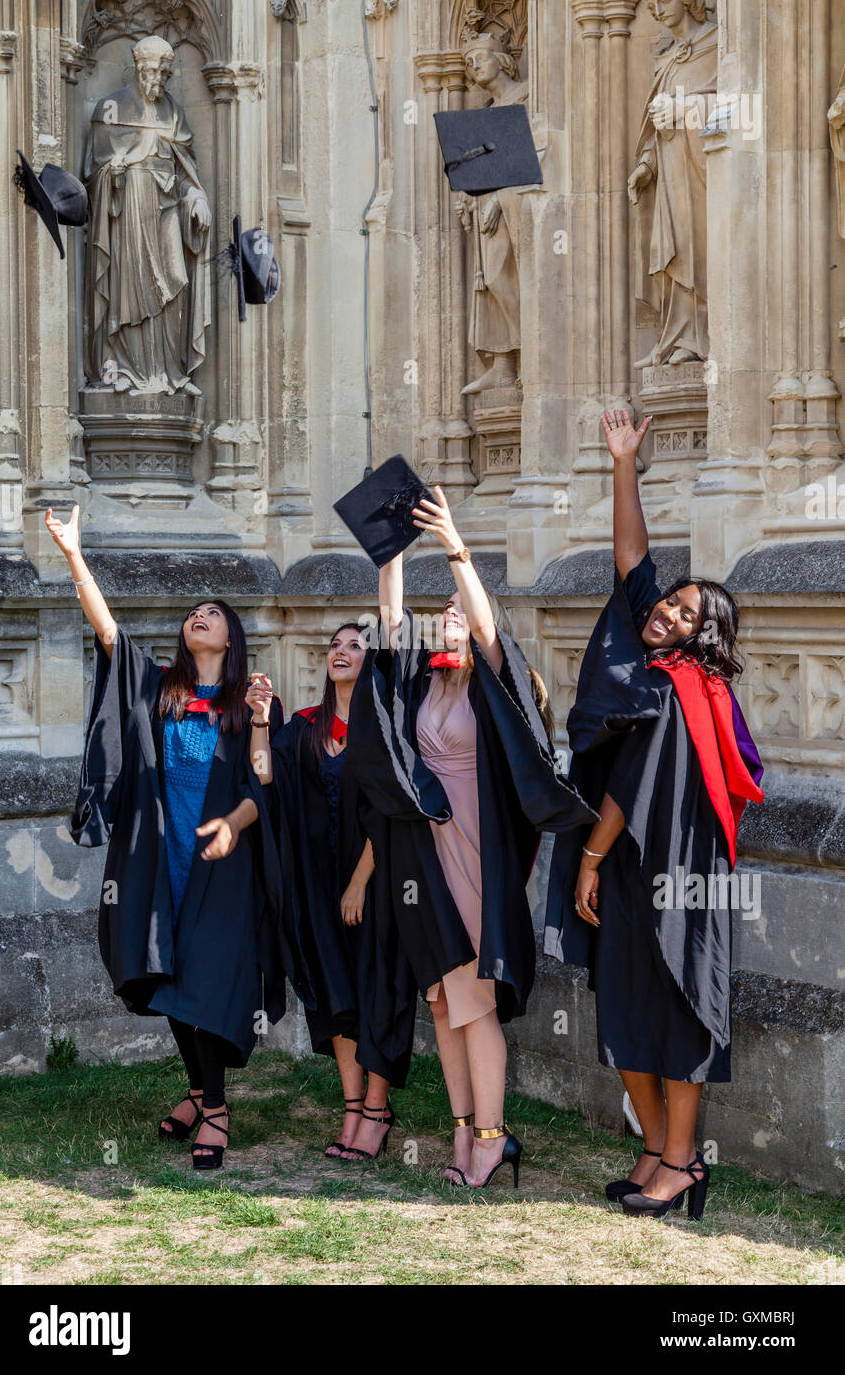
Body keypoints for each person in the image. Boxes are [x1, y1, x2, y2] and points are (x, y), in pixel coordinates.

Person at [544, 410, 764, 1220]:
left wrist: (592, 861)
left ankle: (683, 1162)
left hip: (677, 865)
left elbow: (631, 785)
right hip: (635, 861)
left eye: (683, 613)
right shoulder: (648, 659)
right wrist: (625, 464)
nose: (665, 611)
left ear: (704, 638)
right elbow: (632, 559)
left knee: (678, 1007)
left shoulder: (680, 687)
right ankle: (652, 1149)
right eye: (668, 604)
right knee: (624, 995)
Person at [346, 486, 595, 1188]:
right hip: (425, 857)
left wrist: (454, 543)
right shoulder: (424, 682)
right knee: (440, 1000)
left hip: (477, 861)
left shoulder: (493, 685)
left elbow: (488, 629)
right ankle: (464, 1135)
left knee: (474, 1001)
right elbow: (389, 622)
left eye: (457, 612)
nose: (448, 617)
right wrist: (389, 550)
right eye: (445, 613)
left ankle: (492, 1138)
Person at [45, 504, 286, 1171]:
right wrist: (73, 555)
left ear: (230, 639)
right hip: (163, 857)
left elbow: (264, 787)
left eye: (214, 613)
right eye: (193, 613)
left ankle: (213, 1109)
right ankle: (203, 1095)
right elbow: (109, 633)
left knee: (207, 979)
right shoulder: (160, 690)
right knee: (168, 971)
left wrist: (262, 730)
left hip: (223, 867)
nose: (199, 616)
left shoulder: (249, 705)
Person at [246, 626, 417, 1162]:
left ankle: (378, 1109)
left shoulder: (384, 725)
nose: (340, 653)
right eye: (335, 646)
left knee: (378, 990)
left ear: (374, 662)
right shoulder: (305, 728)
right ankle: (351, 1106)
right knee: (333, 993)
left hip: (374, 880)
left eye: (355, 646)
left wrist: (360, 882)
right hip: (318, 886)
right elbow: (263, 774)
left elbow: (390, 811)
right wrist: (258, 717)